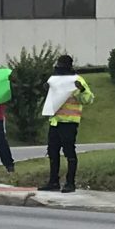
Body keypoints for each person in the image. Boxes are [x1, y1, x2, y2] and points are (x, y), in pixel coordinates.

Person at [44, 57, 90, 192]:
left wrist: (81, 90)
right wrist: (46, 89)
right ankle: (53, 182)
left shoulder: (77, 80)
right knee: (52, 152)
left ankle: (70, 183)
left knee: (69, 152)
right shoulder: (54, 80)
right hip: (55, 121)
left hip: (69, 122)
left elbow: (88, 99)